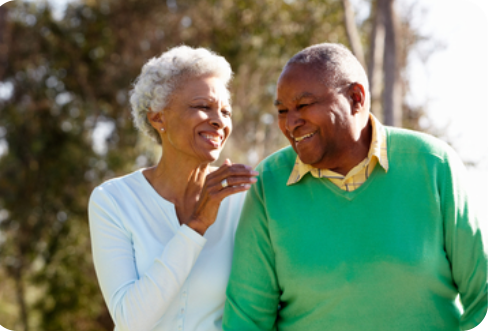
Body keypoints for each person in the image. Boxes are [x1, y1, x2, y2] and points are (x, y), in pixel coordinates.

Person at [223, 43, 487, 331]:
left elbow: (482, 296)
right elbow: (246, 321)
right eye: (283, 110)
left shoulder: (433, 164)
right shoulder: (268, 183)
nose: (291, 122)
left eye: (304, 105)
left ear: (356, 97)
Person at [88, 45, 258, 331]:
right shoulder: (113, 200)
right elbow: (131, 320)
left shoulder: (243, 199)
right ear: (158, 117)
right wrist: (197, 225)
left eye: (225, 111)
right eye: (203, 106)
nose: (219, 120)